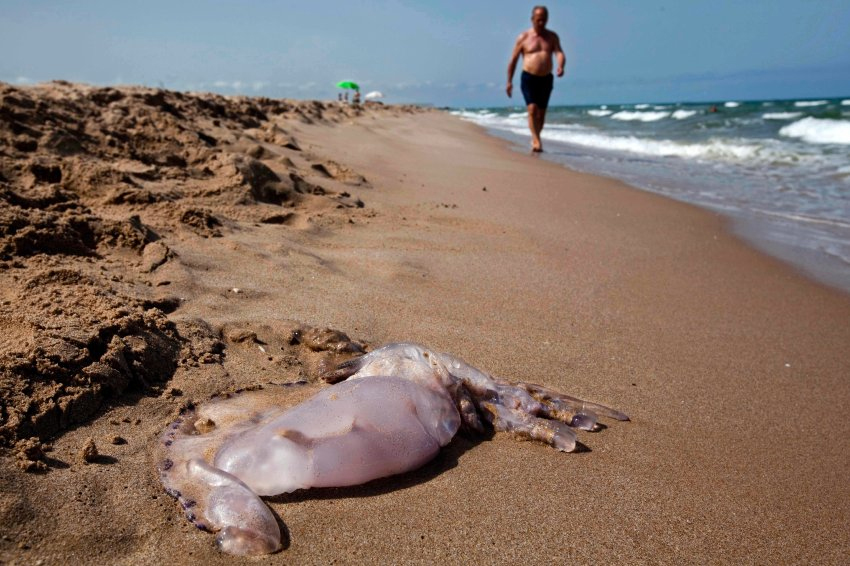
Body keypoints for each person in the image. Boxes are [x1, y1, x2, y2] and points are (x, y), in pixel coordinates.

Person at [506, 6, 566, 152]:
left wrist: (561, 65)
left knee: (541, 113)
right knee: (532, 109)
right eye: (538, 20)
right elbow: (513, 60)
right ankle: (536, 140)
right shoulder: (524, 37)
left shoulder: (552, 37)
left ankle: (536, 136)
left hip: (546, 79)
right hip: (529, 78)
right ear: (532, 19)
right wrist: (509, 81)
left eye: (544, 20)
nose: (541, 23)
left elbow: (559, 52)